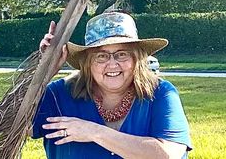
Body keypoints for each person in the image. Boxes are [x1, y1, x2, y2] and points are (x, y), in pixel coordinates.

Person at [33, 11, 192, 158]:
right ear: (87, 63)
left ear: (137, 59)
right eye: (101, 56)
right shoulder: (58, 94)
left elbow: (168, 154)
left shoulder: (161, 93)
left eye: (122, 54)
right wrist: (43, 73)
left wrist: (93, 132)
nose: (112, 64)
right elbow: (12, 126)